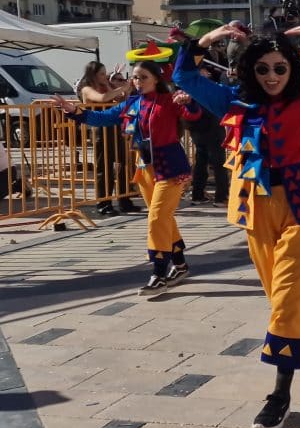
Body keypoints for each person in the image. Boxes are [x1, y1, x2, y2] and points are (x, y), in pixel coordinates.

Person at [175, 19, 300, 428]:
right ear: (250, 70)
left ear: (292, 68)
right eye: (263, 69)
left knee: (283, 303)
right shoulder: (231, 102)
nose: (273, 77)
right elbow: (184, 75)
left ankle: (280, 393)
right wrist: (207, 40)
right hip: (254, 208)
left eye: (280, 68)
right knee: (279, 294)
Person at [55, 61, 200, 297]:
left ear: (156, 79)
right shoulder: (133, 102)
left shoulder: (169, 100)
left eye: (142, 77)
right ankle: (181, 265)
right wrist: (73, 110)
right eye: (134, 77)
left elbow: (193, 114)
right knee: (163, 219)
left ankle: (159, 273)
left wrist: (188, 101)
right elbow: (102, 119)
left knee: (156, 217)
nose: (137, 82)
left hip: (171, 168)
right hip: (145, 168)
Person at [76, 61, 141, 216]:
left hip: (115, 127)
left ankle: (125, 200)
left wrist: (127, 89)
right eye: (101, 74)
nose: (105, 77)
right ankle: (103, 203)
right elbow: (101, 98)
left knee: (123, 164)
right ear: (93, 75)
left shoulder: (108, 86)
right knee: (104, 168)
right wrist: (120, 88)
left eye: (105, 73)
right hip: (100, 129)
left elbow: (122, 100)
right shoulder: (87, 88)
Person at [185, 66, 229, 207]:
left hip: (199, 129)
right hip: (212, 128)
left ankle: (197, 195)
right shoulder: (207, 88)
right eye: (205, 70)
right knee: (218, 164)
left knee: (201, 162)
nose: (208, 73)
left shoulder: (190, 88)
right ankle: (221, 197)